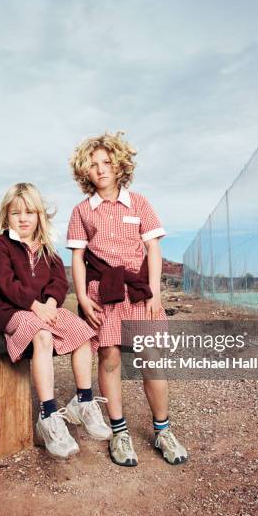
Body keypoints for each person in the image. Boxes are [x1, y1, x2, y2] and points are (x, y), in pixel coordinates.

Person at [67, 132, 188, 467]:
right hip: (102, 294)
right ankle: (119, 432)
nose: (101, 170)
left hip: (138, 293)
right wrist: (81, 296)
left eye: (106, 162)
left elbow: (153, 249)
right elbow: (77, 258)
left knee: (151, 359)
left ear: (120, 165)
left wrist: (154, 293)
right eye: (93, 165)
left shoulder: (140, 203)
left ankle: (163, 430)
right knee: (109, 358)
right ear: (84, 172)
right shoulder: (82, 211)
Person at [0, 182, 112, 460]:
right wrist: (35, 306)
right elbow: (7, 283)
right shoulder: (0, 247)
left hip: (44, 308)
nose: (23, 218)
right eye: (16, 213)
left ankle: (84, 400)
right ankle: (49, 414)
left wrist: (51, 303)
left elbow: (59, 281)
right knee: (42, 335)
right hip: (11, 310)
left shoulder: (47, 249)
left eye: (30, 212)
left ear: (40, 215)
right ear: (6, 216)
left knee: (83, 332)